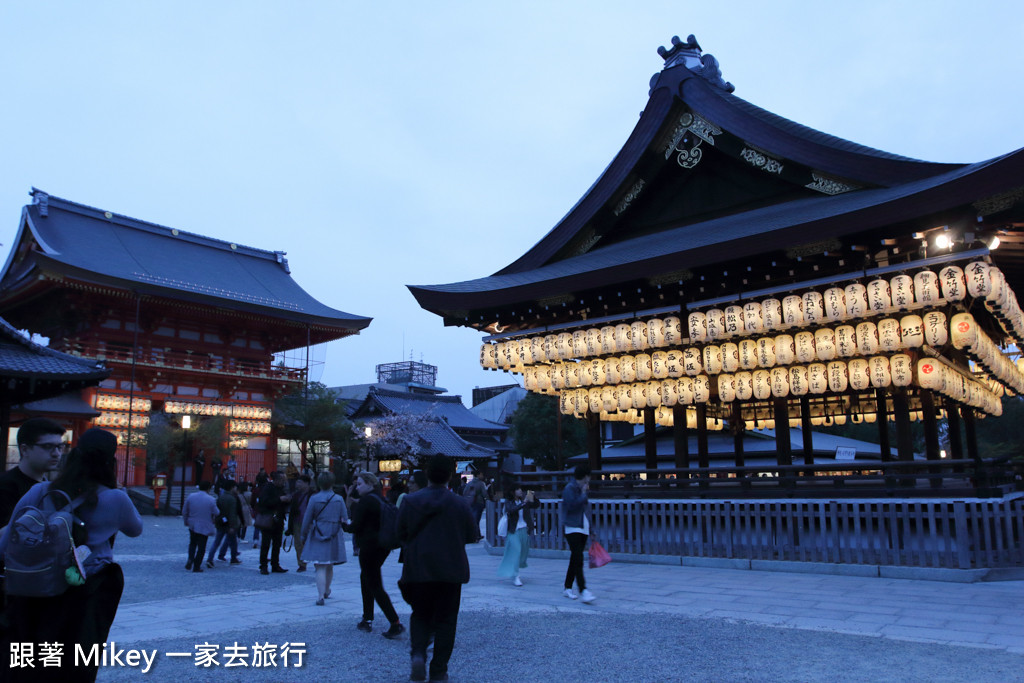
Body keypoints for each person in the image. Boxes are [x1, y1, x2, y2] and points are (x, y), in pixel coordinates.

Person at [0, 427, 143, 683]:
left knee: (29, 655)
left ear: (74, 456)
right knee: (75, 661)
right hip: (85, 591)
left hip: (36, 583)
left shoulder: (40, 491)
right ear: (110, 462)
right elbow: (135, 530)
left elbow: (8, 536)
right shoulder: (116, 499)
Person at [397, 454, 477, 683]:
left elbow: (399, 533)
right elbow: (472, 535)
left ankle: (418, 654)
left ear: (427, 475)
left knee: (420, 615)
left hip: (418, 567)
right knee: (446, 620)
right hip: (450, 569)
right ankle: (439, 670)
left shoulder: (410, 502)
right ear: (450, 476)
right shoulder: (459, 503)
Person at [343, 472, 404, 639]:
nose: (357, 486)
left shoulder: (366, 501)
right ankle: (367, 618)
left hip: (369, 546)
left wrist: (344, 525)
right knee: (367, 579)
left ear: (370, 484)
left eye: (361, 483)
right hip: (382, 546)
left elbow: (355, 526)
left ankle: (394, 622)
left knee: (374, 584)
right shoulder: (381, 499)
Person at [0, 418, 65, 535]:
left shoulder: (51, 488)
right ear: (24, 449)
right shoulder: (5, 487)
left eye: (60, 447)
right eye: (48, 446)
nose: (56, 453)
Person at [299, 471, 349, 605]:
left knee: (320, 566)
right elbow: (344, 518)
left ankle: (320, 595)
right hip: (334, 533)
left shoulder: (314, 498)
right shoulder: (338, 499)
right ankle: (327, 590)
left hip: (318, 532)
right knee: (329, 564)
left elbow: (307, 519)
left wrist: (303, 534)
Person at [561, 465, 595, 603]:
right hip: (572, 527)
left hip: (583, 526)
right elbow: (571, 505)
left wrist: (592, 530)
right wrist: (582, 494)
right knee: (578, 558)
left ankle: (567, 587)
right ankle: (583, 590)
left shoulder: (582, 490)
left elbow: (586, 511)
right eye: (589, 476)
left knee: (575, 558)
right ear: (585, 476)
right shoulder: (569, 488)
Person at [497, 486, 541, 586]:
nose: (520, 491)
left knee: (523, 551)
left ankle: (514, 570)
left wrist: (533, 497)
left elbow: (536, 505)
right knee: (515, 551)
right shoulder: (509, 502)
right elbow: (511, 510)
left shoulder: (523, 501)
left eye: (521, 489)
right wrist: (524, 503)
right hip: (513, 530)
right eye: (518, 489)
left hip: (524, 529)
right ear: (512, 492)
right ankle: (515, 575)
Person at [255, 471, 291, 574]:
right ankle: (263, 565)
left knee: (277, 543)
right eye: (282, 480)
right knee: (266, 543)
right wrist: (279, 499)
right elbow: (264, 502)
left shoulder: (281, 489)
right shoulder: (268, 488)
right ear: (276, 479)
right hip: (269, 518)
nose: (284, 482)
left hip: (278, 519)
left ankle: (275, 564)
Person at [183, 480, 217, 572]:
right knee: (201, 547)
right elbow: (217, 512)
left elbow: (185, 510)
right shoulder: (211, 499)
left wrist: (186, 521)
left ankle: (190, 558)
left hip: (192, 523)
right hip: (204, 525)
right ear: (208, 488)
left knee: (193, 543)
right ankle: (197, 566)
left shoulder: (191, 496)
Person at [207, 479, 241, 566]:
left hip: (220, 522)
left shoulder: (220, 497)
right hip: (229, 523)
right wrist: (232, 526)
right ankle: (233, 558)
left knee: (217, 542)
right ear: (232, 488)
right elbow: (232, 514)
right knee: (233, 542)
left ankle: (210, 558)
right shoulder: (232, 499)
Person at [288, 474, 312, 571]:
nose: (297, 484)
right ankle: (302, 564)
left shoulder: (313, 494)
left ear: (306, 483)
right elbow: (292, 511)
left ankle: (316, 561)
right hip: (298, 521)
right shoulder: (296, 495)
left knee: (312, 542)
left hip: (310, 522)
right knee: (298, 543)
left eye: (300, 482)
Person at [461, 472, 487, 542]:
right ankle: (475, 536)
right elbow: (485, 494)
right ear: (478, 475)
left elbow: (464, 493)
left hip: (470, 503)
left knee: (474, 518)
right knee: (476, 520)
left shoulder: (469, 483)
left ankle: (477, 535)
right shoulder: (481, 483)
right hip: (479, 502)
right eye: (481, 474)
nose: (482, 475)